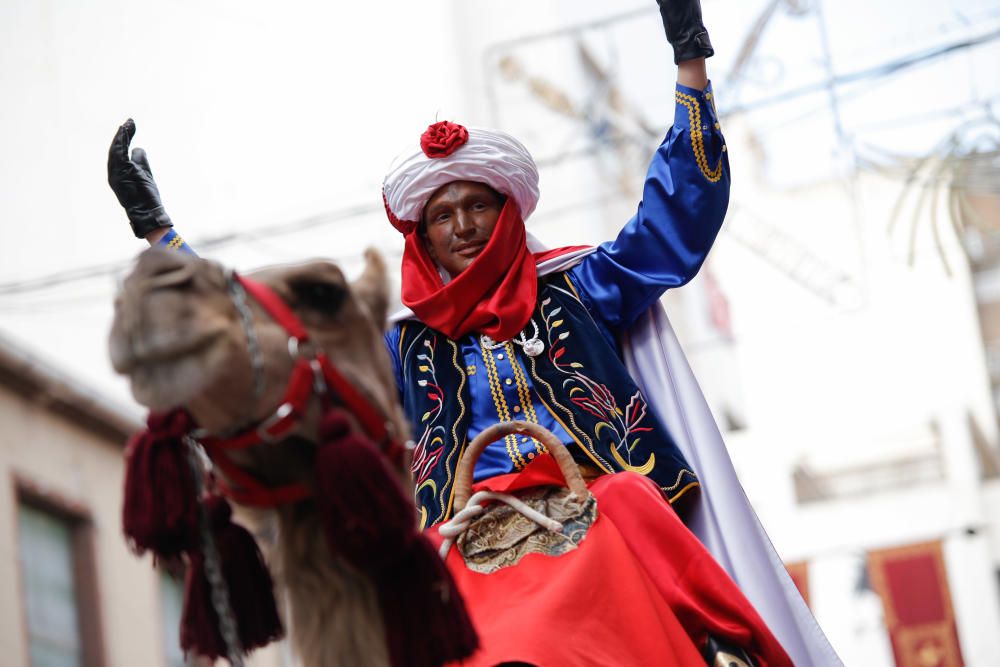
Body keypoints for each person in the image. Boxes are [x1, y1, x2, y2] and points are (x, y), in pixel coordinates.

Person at [109, 3, 842, 665]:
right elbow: (270, 344)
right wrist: (162, 239)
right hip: (462, 539)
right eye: (441, 214)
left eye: (476, 206)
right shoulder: (400, 344)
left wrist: (690, 60)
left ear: (507, 212)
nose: (461, 226)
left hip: (602, 513)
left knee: (670, 568)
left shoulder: (581, 285)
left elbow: (672, 223)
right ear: (420, 233)